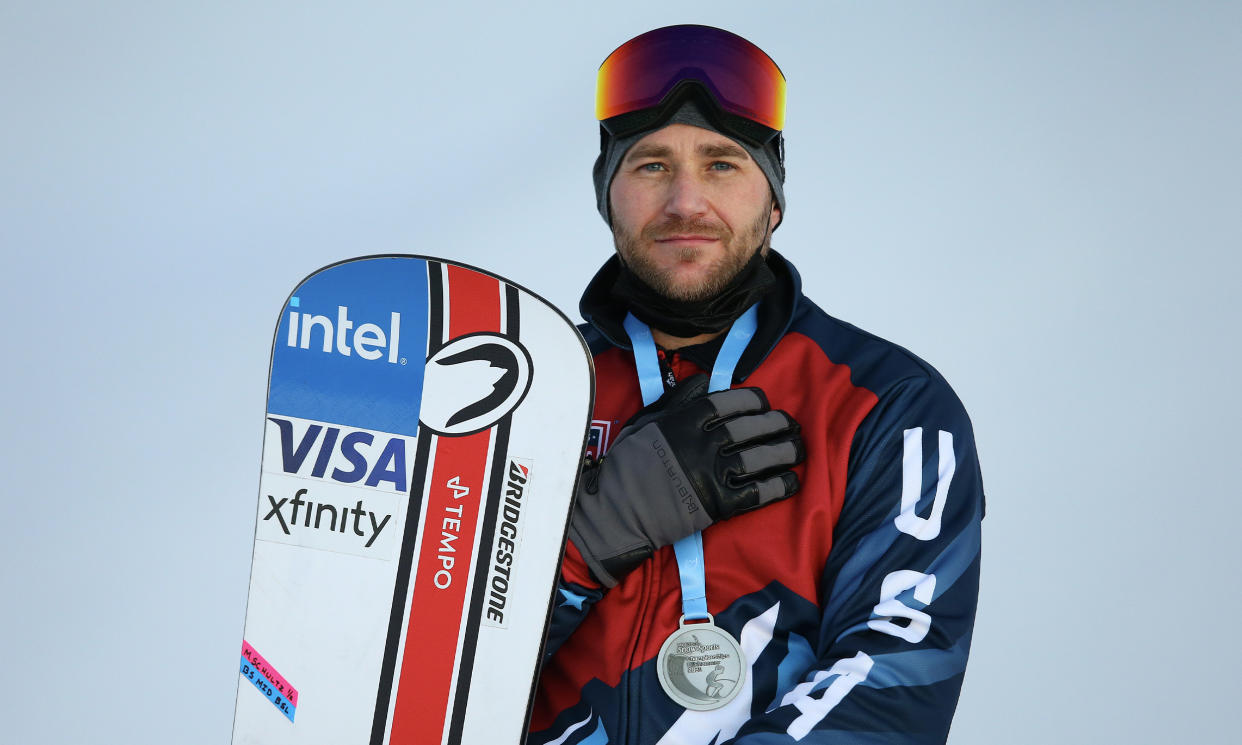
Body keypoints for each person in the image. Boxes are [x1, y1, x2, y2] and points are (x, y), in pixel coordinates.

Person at [532, 24, 985, 744]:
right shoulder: (524, 398)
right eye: (651, 165)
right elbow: (417, 668)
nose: (685, 202)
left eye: (721, 164)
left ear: (773, 198)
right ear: (605, 194)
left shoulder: (889, 406)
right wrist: (588, 536)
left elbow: (894, 687)